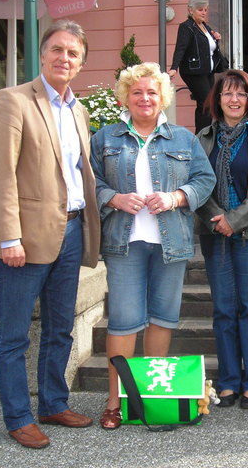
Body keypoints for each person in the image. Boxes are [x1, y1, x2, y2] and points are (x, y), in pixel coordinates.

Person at [0, 19, 100, 449]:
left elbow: (79, 175)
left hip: (71, 233)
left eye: (73, 53)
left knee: (59, 329)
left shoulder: (79, 110)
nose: (64, 57)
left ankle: (53, 402)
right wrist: (8, 237)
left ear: (81, 63)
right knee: (14, 335)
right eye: (57, 49)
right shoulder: (14, 100)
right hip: (27, 239)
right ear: (43, 54)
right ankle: (18, 416)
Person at [90, 62, 216, 429]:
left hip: (170, 243)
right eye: (137, 92)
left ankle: (147, 399)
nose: (145, 98)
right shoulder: (106, 138)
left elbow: (203, 180)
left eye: (152, 92)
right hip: (124, 242)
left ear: (162, 97)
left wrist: (176, 197)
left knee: (162, 319)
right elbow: (90, 182)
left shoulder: (183, 138)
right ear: (125, 97)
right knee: (125, 323)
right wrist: (114, 199)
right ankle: (115, 401)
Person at [195, 70, 248, 409]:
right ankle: (229, 380)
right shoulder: (202, 137)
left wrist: (235, 219)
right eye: (227, 93)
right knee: (224, 310)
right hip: (216, 236)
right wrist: (219, 220)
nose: (233, 100)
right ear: (217, 99)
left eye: (241, 94)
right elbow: (196, 183)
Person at [169, 0, 227, 133]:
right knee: (206, 104)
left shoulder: (206, 27)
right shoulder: (186, 27)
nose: (204, 12)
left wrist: (216, 38)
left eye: (205, 10)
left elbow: (207, 48)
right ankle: (202, 136)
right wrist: (173, 68)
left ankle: (205, 134)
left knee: (209, 103)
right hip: (193, 71)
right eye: (200, 10)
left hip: (207, 71)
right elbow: (180, 48)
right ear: (191, 10)